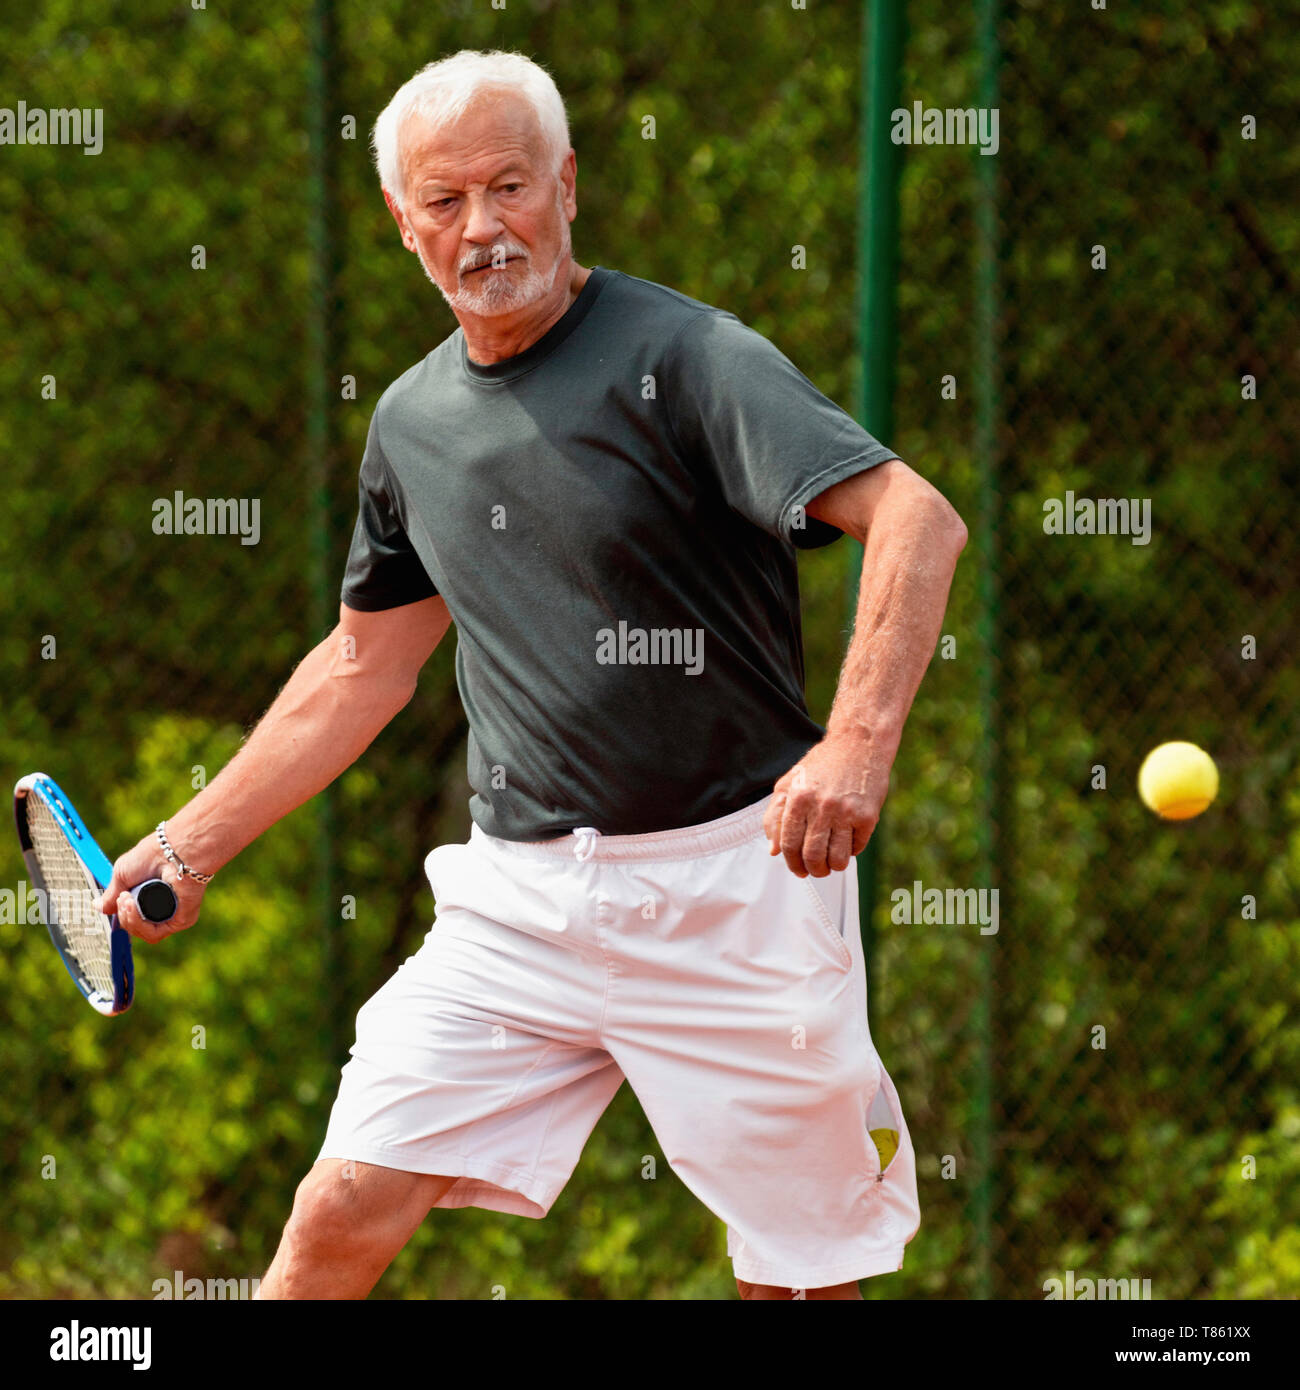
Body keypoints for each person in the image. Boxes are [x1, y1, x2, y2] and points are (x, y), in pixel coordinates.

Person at [101, 48, 967, 1301]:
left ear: (567, 185)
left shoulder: (692, 355)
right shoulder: (410, 423)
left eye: (509, 186)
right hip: (517, 903)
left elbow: (916, 518)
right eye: (444, 201)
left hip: (739, 890)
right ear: (404, 225)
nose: (482, 225)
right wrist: (187, 845)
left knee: (802, 1280)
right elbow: (360, 667)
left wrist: (855, 745)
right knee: (337, 1210)